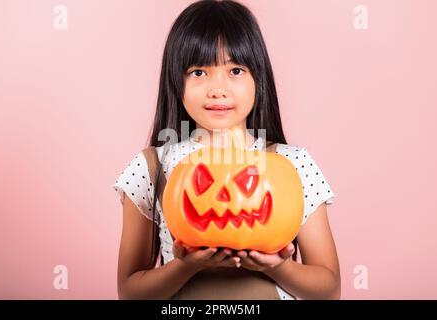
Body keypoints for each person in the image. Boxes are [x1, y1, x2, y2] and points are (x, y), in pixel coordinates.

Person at [112, 0, 340, 300]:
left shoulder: (293, 164)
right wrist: (184, 266)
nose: (217, 88)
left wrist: (276, 267)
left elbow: (329, 290)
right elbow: (130, 292)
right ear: (175, 80)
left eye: (235, 70)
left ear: (259, 78)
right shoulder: (151, 168)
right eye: (198, 72)